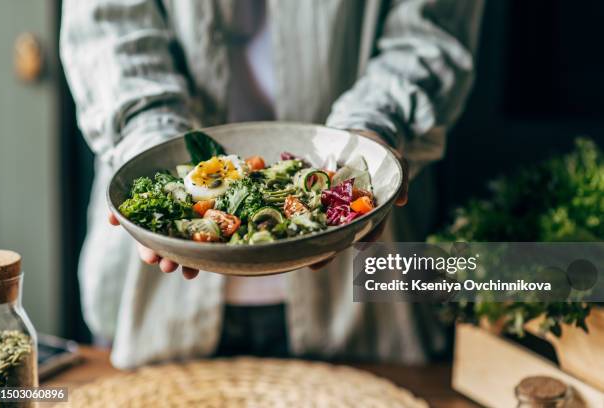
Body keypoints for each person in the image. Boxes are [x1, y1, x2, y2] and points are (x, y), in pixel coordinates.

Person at [60, 0, 484, 368]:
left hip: (365, 294)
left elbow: (430, 35)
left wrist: (369, 132)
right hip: (157, 305)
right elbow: (108, 31)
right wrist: (153, 148)